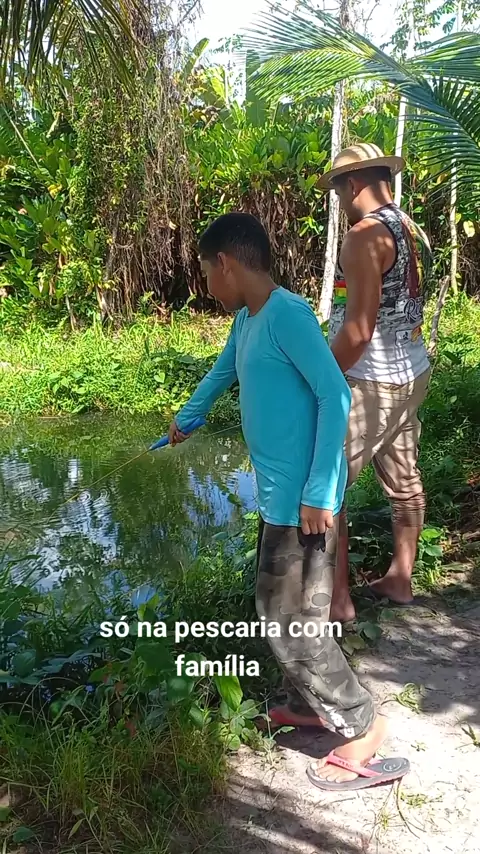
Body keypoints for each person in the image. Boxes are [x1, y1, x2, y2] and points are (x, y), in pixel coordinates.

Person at [168, 212, 409, 791]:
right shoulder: (248, 320)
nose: (207, 286)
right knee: (287, 613)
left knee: (290, 623)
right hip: (280, 501)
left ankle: (363, 727)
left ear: (225, 263)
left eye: (206, 273)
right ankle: (310, 706)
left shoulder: (287, 315)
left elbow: (334, 395)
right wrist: (188, 417)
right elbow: (223, 372)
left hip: (304, 505)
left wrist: (320, 493)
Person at [318, 144, 432, 623]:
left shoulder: (363, 236)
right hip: (413, 373)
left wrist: (320, 377)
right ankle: (400, 578)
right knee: (404, 480)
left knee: (327, 484)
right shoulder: (410, 228)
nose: (340, 202)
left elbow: (359, 331)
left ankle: (338, 599)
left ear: (352, 184)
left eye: (339, 192)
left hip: (372, 383)